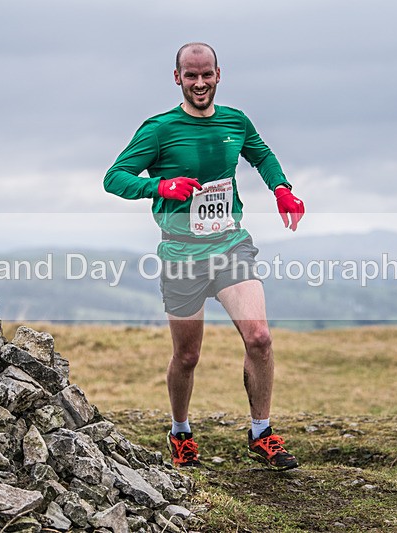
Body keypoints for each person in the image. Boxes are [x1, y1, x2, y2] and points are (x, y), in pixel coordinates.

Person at [103, 42, 305, 470]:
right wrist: (158, 187)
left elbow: (262, 154)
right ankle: (180, 433)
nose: (199, 83)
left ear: (218, 75)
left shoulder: (235, 121)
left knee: (260, 338)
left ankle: (261, 432)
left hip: (230, 245)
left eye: (206, 74)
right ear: (177, 78)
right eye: (190, 75)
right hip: (182, 255)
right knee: (188, 356)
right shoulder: (158, 130)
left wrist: (281, 189)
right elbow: (114, 178)